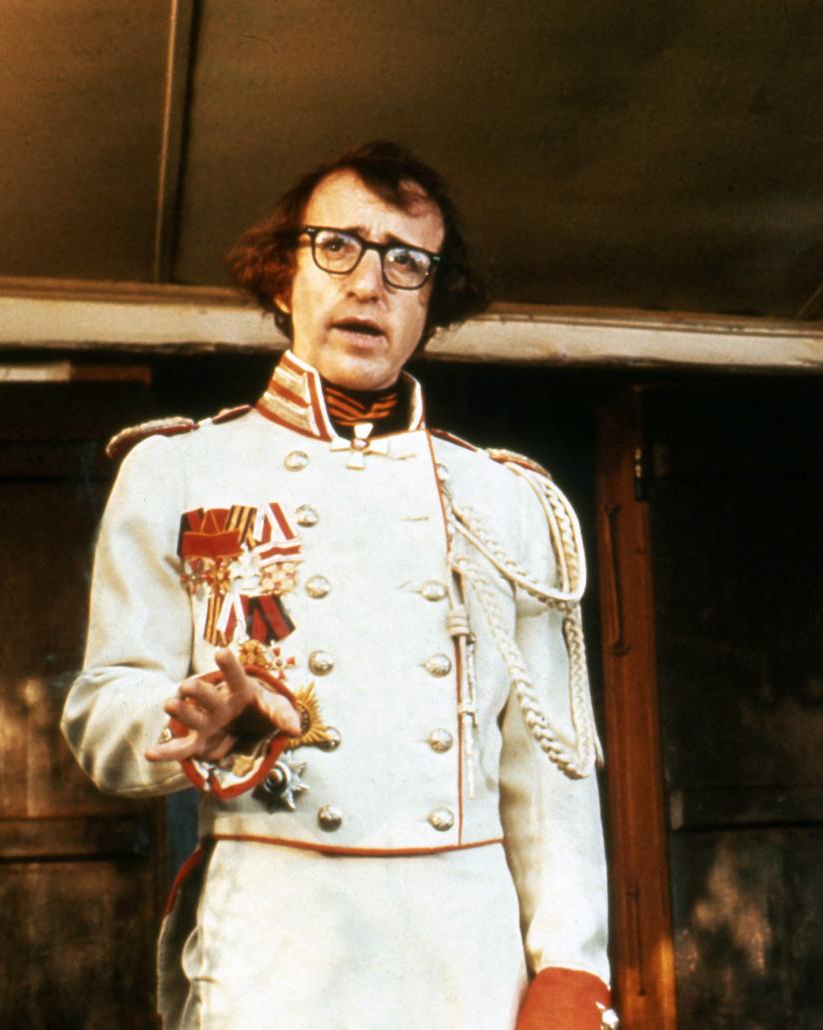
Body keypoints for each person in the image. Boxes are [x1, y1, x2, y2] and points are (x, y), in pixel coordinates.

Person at [62, 142, 617, 1029]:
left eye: (407, 263)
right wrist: (203, 720)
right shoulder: (178, 471)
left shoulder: (506, 500)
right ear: (285, 278)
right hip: (275, 953)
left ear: (431, 303)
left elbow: (549, 767)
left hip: (464, 963)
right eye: (338, 247)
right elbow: (102, 711)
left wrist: (571, 968)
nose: (370, 285)